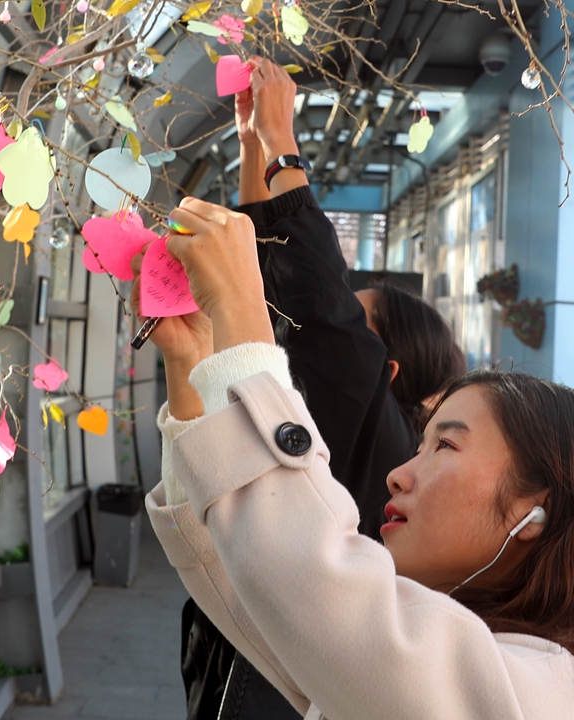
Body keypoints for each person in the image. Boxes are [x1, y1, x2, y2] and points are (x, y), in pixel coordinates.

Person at [147, 194, 574, 719]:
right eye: (421, 444)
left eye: (445, 445)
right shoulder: (466, 654)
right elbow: (242, 583)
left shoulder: (544, 694)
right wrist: (193, 356)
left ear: (531, 510)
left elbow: (308, 582)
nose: (398, 475)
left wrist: (240, 309)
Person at [164, 57, 465, 720]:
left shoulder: (376, 418)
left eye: (358, 326)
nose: (325, 330)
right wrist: (250, 141)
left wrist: (280, 137)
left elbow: (317, 297)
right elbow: (282, 283)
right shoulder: (346, 420)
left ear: (384, 365)